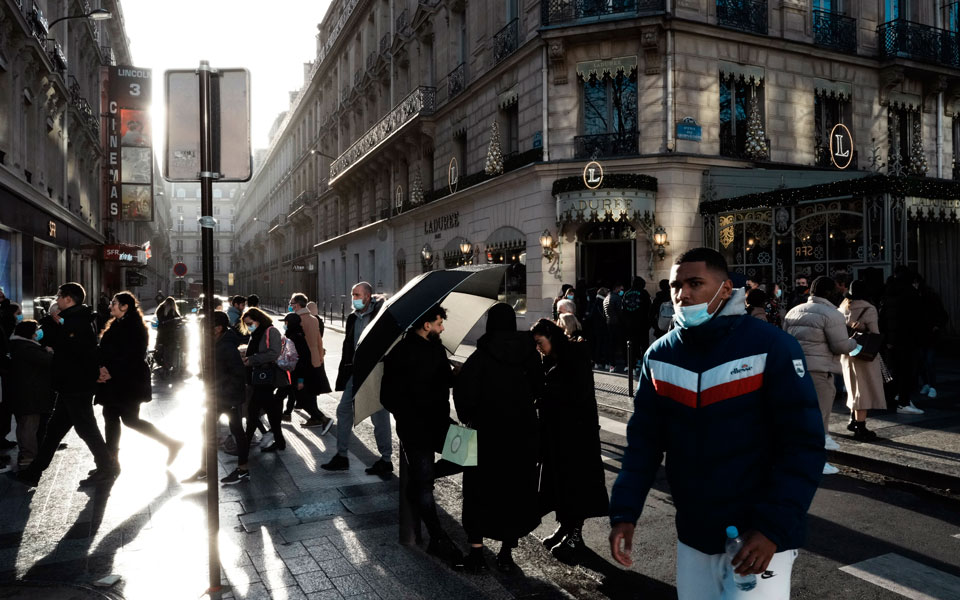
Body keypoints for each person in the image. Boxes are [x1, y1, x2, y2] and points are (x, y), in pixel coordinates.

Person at [609, 248, 825, 600]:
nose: (683, 294)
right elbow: (643, 446)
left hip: (760, 537)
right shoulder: (658, 356)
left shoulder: (772, 346)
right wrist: (625, 513)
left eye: (695, 283)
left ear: (726, 289)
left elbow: (803, 445)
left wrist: (771, 529)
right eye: (677, 285)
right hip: (695, 534)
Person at [453, 304, 542, 573]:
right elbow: (539, 389)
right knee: (513, 491)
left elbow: (464, 396)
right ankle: (506, 553)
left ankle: (477, 553)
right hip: (520, 434)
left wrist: (469, 413)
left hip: (484, 435)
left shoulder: (480, 356)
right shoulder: (529, 355)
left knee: (478, 491)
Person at [380, 304, 465, 569]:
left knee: (469, 454)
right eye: (439, 323)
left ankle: (422, 479)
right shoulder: (399, 354)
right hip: (416, 428)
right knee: (425, 488)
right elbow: (387, 397)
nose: (442, 328)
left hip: (439, 422)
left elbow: (444, 382)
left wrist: (455, 373)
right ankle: (437, 537)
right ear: (426, 325)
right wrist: (410, 411)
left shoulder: (436, 349)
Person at [16, 283, 121, 488]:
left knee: (86, 429)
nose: (56, 299)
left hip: (76, 386)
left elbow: (80, 353)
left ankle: (107, 468)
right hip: (70, 386)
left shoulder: (76, 322)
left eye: (59, 296)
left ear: (68, 299)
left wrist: (95, 373)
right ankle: (34, 472)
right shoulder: (74, 319)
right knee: (54, 431)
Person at [531, 318, 609, 564]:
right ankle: (565, 528)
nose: (538, 348)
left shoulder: (575, 357)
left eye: (540, 343)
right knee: (560, 484)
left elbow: (575, 395)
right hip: (557, 434)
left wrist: (544, 391)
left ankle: (575, 534)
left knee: (576, 485)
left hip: (577, 436)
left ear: (551, 337)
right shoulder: (551, 359)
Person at [95, 292, 183, 465]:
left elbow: (132, 355)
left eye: (114, 303)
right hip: (116, 381)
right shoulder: (116, 324)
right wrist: (101, 368)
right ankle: (110, 459)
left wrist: (109, 370)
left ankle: (171, 443)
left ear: (124, 306)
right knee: (111, 416)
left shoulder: (134, 326)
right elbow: (105, 350)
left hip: (128, 381)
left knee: (129, 420)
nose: (110, 306)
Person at [784, 276, 857, 475]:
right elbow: (840, 345)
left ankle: (798, 458)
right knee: (819, 417)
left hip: (795, 370)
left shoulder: (794, 310)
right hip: (819, 371)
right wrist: (855, 342)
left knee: (801, 417)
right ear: (829, 292)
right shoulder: (831, 314)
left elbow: (785, 340)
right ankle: (816, 461)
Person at [323, 282, 391, 474]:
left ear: (368, 296)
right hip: (356, 372)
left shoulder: (380, 316)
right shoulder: (353, 317)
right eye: (353, 294)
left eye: (357, 295)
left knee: (379, 416)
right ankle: (341, 456)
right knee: (343, 410)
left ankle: (386, 459)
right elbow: (348, 344)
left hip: (376, 371)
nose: (354, 298)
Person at [184, 311, 250, 484]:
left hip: (228, 398)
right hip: (216, 396)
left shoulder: (226, 346)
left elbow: (238, 374)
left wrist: (225, 394)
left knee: (237, 432)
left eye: (208, 326)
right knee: (206, 429)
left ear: (218, 328)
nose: (204, 329)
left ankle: (243, 469)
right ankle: (205, 468)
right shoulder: (215, 343)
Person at [839, 281, 885, 440]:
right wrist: (864, 329)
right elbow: (875, 332)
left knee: (852, 387)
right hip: (863, 354)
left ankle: (853, 419)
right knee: (863, 390)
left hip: (847, 351)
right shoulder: (869, 308)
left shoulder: (843, 305)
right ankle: (861, 426)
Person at [8, 320, 54, 468]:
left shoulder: (21, 346)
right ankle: (29, 456)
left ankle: (27, 453)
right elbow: (47, 361)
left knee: (25, 424)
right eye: (35, 330)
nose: (38, 333)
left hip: (26, 392)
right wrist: (49, 352)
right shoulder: (26, 348)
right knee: (29, 425)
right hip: (30, 394)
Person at [880, 267, 924, 414]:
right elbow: (916, 320)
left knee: (895, 371)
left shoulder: (889, 294)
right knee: (906, 372)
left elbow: (884, 319)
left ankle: (893, 398)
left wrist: (887, 339)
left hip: (892, 341)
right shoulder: (911, 294)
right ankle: (903, 402)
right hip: (907, 340)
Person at [241, 307, 285, 454]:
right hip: (258, 377)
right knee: (270, 411)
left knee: (253, 411)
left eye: (250, 323)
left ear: (258, 319)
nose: (249, 326)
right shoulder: (256, 333)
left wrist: (252, 359)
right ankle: (279, 441)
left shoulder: (271, 331)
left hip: (266, 377)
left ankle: (245, 446)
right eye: (247, 324)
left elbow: (274, 353)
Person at [288, 293, 333, 431]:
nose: (291, 305)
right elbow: (319, 341)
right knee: (311, 390)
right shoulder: (313, 319)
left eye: (292, 303)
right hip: (314, 358)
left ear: (299, 304)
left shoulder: (297, 320)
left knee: (300, 391)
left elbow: (297, 343)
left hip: (302, 360)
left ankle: (320, 417)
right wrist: (320, 357)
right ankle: (315, 418)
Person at [914, 275, 947, 400]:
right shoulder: (923, 297)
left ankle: (931, 385)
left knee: (928, 361)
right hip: (924, 334)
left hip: (927, 334)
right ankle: (929, 384)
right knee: (924, 361)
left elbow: (942, 315)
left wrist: (936, 325)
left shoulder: (929, 297)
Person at [621, 277, 652, 373]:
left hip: (630, 325)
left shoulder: (626, 293)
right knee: (644, 346)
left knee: (632, 346)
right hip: (642, 324)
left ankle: (632, 367)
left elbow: (623, 309)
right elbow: (649, 308)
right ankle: (644, 366)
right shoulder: (644, 293)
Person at [155, 297, 185, 375]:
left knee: (166, 349)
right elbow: (173, 319)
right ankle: (167, 366)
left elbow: (177, 318)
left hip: (164, 333)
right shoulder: (168, 310)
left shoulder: (162, 309)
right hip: (167, 334)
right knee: (168, 350)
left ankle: (167, 365)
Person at [586, 287, 610, 369]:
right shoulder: (604, 301)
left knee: (597, 344)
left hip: (594, 327)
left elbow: (590, 315)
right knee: (604, 344)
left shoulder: (593, 301)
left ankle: (597, 361)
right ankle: (605, 362)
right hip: (603, 326)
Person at [604, 283, 625, 372]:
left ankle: (611, 364)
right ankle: (625, 364)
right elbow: (620, 312)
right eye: (621, 289)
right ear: (616, 288)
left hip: (609, 323)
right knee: (622, 344)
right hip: (617, 324)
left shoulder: (606, 298)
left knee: (611, 344)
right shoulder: (617, 298)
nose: (622, 291)